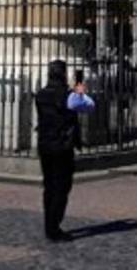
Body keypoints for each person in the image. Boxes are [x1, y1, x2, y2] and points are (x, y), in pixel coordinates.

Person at [34, 59, 96, 242]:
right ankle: (54, 227)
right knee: (62, 186)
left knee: (49, 186)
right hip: (62, 145)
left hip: (45, 143)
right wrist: (80, 92)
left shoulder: (40, 94)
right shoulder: (69, 96)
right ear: (63, 75)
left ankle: (49, 224)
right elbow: (90, 106)